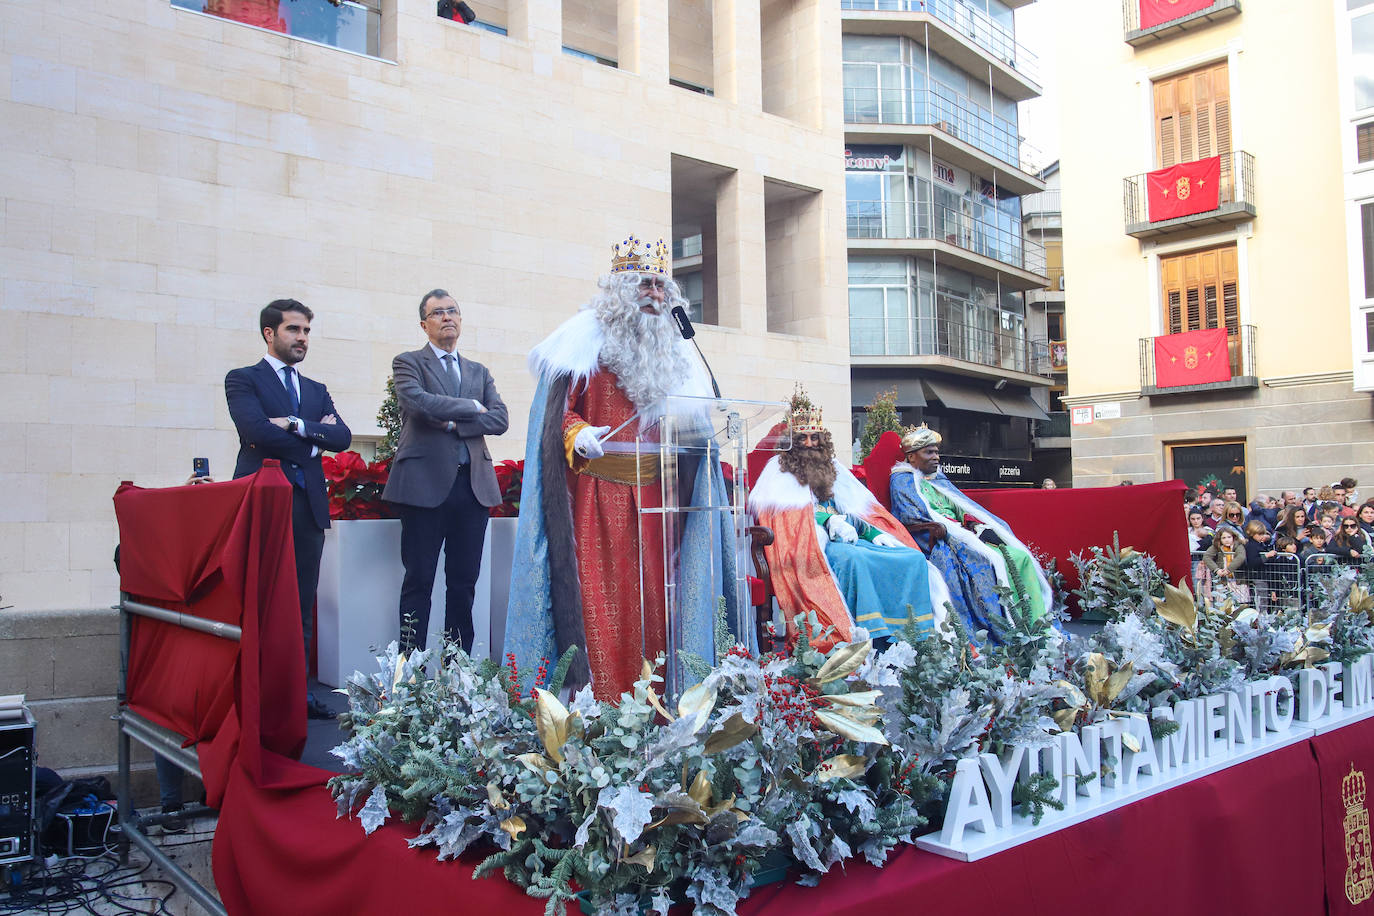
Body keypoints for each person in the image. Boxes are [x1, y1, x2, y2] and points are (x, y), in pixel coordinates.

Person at [503, 236, 734, 701]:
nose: (654, 293)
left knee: (657, 607)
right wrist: (576, 433)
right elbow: (553, 414)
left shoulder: (677, 347)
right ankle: (604, 707)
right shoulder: (583, 339)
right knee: (604, 607)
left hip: (659, 503)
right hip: (599, 499)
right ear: (622, 288)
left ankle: (661, 703)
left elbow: (694, 427)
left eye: (661, 285)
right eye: (644, 283)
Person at [225, 299, 351, 720]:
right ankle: (256, 697)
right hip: (262, 503)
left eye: (307, 331)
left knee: (300, 606)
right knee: (257, 602)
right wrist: (317, 438)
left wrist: (296, 426)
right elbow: (255, 431)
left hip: (307, 508)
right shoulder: (243, 380)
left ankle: (298, 696)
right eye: (294, 330)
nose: (302, 338)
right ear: (269, 333)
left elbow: (344, 438)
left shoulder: (315, 389)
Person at [748, 410, 949, 647]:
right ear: (792, 441)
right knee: (856, 560)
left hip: (850, 536)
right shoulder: (778, 470)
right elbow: (787, 519)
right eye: (803, 438)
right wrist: (827, 521)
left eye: (815, 438)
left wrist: (873, 533)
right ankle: (873, 637)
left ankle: (914, 635)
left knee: (912, 558)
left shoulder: (834, 468)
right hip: (815, 544)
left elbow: (859, 509)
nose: (810, 444)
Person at [382, 289, 509, 653]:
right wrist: (472, 407)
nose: (447, 317)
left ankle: (458, 674)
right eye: (438, 313)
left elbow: (499, 419)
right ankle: (411, 675)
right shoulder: (408, 362)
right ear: (425, 324)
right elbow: (418, 403)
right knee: (419, 581)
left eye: (453, 310)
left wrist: (455, 424)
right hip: (423, 489)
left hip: (472, 490)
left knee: (463, 583)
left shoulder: (478, 371)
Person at [890, 425, 1052, 630]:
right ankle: (1006, 627)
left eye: (937, 452)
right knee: (993, 560)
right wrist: (946, 529)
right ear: (912, 457)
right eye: (929, 452)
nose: (936, 457)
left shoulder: (939, 478)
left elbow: (961, 505)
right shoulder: (901, 480)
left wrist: (973, 521)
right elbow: (910, 516)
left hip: (964, 534)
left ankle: (1036, 623)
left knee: (1020, 556)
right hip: (940, 538)